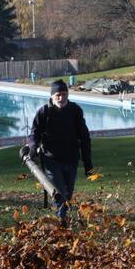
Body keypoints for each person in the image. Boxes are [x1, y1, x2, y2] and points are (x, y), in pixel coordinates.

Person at [27, 79, 93, 226]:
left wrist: (88, 163)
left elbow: (84, 137)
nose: (61, 98)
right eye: (58, 95)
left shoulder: (75, 110)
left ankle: (59, 220)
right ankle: (61, 224)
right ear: (52, 96)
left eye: (64, 94)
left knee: (68, 195)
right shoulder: (44, 112)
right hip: (52, 161)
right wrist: (33, 147)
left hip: (71, 159)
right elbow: (34, 134)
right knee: (59, 195)